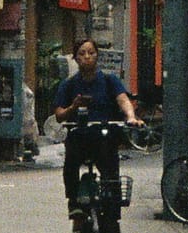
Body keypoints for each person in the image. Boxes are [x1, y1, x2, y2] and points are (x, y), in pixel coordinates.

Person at [52, 37, 135, 203]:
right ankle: (74, 203)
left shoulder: (109, 80)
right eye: (82, 53)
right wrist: (73, 107)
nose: (87, 57)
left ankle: (112, 206)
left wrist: (131, 117)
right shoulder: (68, 84)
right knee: (70, 164)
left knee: (110, 171)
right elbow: (59, 115)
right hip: (79, 136)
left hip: (104, 136)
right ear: (76, 58)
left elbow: (123, 99)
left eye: (91, 52)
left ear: (97, 56)